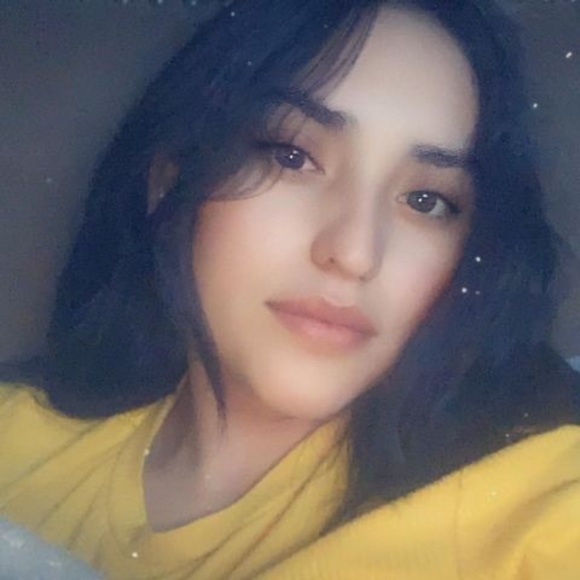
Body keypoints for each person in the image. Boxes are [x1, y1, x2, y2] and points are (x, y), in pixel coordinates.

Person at [1, 0, 579, 578]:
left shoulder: (534, 501)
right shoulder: (14, 439)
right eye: (293, 156)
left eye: (426, 201)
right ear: (170, 179)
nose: (354, 253)